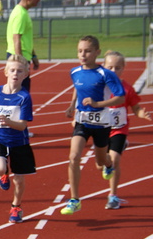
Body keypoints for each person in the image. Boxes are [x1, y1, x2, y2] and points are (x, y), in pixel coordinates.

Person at [61, 35, 125, 215]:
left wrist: (97, 104)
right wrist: (72, 105)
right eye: (80, 51)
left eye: (87, 51)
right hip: (82, 121)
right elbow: (77, 87)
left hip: (102, 123)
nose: (83, 54)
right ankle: (74, 199)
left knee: (101, 161)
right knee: (73, 156)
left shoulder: (105, 74)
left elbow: (120, 96)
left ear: (97, 52)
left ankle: (109, 163)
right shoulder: (74, 72)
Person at [0, 55, 36, 223]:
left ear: (25, 74)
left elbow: (23, 126)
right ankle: (3, 174)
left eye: (19, 71)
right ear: (6, 72)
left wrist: (9, 122)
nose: (15, 73)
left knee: (19, 179)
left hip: (19, 142)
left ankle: (16, 206)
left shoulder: (24, 97)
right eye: (12, 70)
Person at [101, 50, 151, 209]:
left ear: (123, 69)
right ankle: (107, 162)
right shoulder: (99, 88)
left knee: (114, 161)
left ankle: (113, 195)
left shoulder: (127, 89)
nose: (114, 71)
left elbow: (136, 108)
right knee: (101, 163)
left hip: (119, 130)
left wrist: (142, 113)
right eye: (110, 67)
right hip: (101, 130)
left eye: (118, 68)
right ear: (104, 67)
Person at [6, 0, 40, 92]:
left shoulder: (24, 12)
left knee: (23, 90)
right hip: (19, 56)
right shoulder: (20, 14)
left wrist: (33, 55)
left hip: (25, 56)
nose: (38, 0)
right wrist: (19, 63)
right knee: (20, 92)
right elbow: (16, 38)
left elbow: (26, 37)